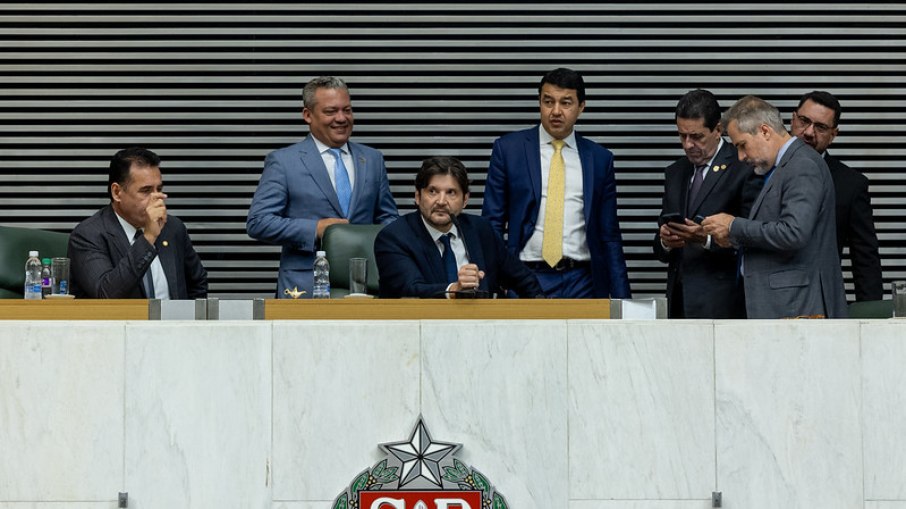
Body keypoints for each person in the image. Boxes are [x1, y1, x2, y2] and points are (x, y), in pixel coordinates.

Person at [481, 68, 630, 298]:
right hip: (524, 277)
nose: (556, 111)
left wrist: (623, 300)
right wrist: (492, 284)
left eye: (566, 103)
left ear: (582, 106)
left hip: (582, 280)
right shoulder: (509, 150)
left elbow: (609, 235)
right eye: (548, 102)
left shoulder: (599, 159)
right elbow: (492, 225)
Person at [247, 76, 398, 297]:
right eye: (331, 111)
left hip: (366, 286)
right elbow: (258, 222)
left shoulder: (373, 159)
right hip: (304, 285)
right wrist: (315, 229)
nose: (341, 118)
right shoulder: (284, 162)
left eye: (347, 110)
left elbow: (388, 220)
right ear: (307, 115)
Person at [702, 96, 847, 319]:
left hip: (797, 309)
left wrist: (733, 226)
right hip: (786, 307)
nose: (740, 157)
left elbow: (793, 232)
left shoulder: (802, 165)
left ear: (765, 131)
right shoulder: (788, 164)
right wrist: (733, 237)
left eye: (742, 145)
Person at [375, 156, 542, 299]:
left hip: (481, 328)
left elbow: (525, 280)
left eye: (451, 193)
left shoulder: (481, 230)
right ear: (418, 196)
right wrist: (454, 290)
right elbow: (410, 289)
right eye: (432, 191)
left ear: (465, 200)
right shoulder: (394, 237)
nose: (441, 201)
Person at [654, 89, 759, 318]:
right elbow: (660, 250)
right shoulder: (675, 172)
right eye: (682, 136)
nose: (688, 144)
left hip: (725, 304)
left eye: (697, 136)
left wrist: (708, 238)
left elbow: (754, 236)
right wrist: (665, 240)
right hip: (679, 302)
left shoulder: (743, 167)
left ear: (718, 130)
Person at [68, 147, 207, 299]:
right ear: (117, 192)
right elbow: (106, 294)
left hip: (171, 322)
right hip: (122, 322)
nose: (156, 199)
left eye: (159, 189)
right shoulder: (88, 235)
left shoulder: (173, 228)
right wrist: (148, 238)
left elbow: (197, 284)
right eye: (146, 191)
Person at [790, 90, 883, 301]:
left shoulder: (850, 184)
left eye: (821, 127)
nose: (809, 132)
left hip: (819, 302)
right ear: (792, 119)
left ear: (834, 135)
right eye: (804, 121)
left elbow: (865, 258)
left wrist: (869, 319)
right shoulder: (760, 169)